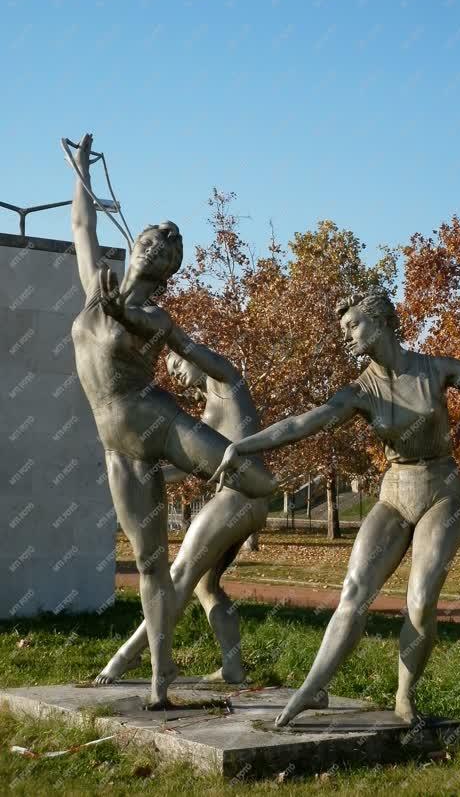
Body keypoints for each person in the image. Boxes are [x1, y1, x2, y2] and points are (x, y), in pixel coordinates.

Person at [212, 290, 460, 726]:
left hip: (441, 490)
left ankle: (404, 696)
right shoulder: (360, 391)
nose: (346, 337)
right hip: (394, 492)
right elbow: (303, 423)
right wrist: (242, 446)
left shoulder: (432, 369)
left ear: (381, 323)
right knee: (354, 591)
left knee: (420, 602)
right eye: (342, 329)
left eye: (353, 326)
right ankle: (313, 688)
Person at [69, 134, 275, 708]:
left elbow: (214, 364)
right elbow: (83, 229)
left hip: (156, 421)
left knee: (259, 482)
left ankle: (249, 488)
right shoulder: (96, 292)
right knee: (150, 567)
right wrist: (82, 169)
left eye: (161, 250)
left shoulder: (152, 315)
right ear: (133, 248)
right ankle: (162, 681)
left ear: (166, 270)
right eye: (146, 242)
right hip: (121, 448)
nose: (149, 250)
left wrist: (145, 330)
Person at [95, 349, 268, 686]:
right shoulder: (205, 416)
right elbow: (187, 465)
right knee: (206, 587)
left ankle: (127, 655)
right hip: (247, 503)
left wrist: (171, 334)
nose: (173, 373)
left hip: (239, 498)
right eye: (169, 370)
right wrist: (136, 471)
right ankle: (233, 667)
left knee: (177, 576)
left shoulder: (227, 383)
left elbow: (193, 348)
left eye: (177, 363)